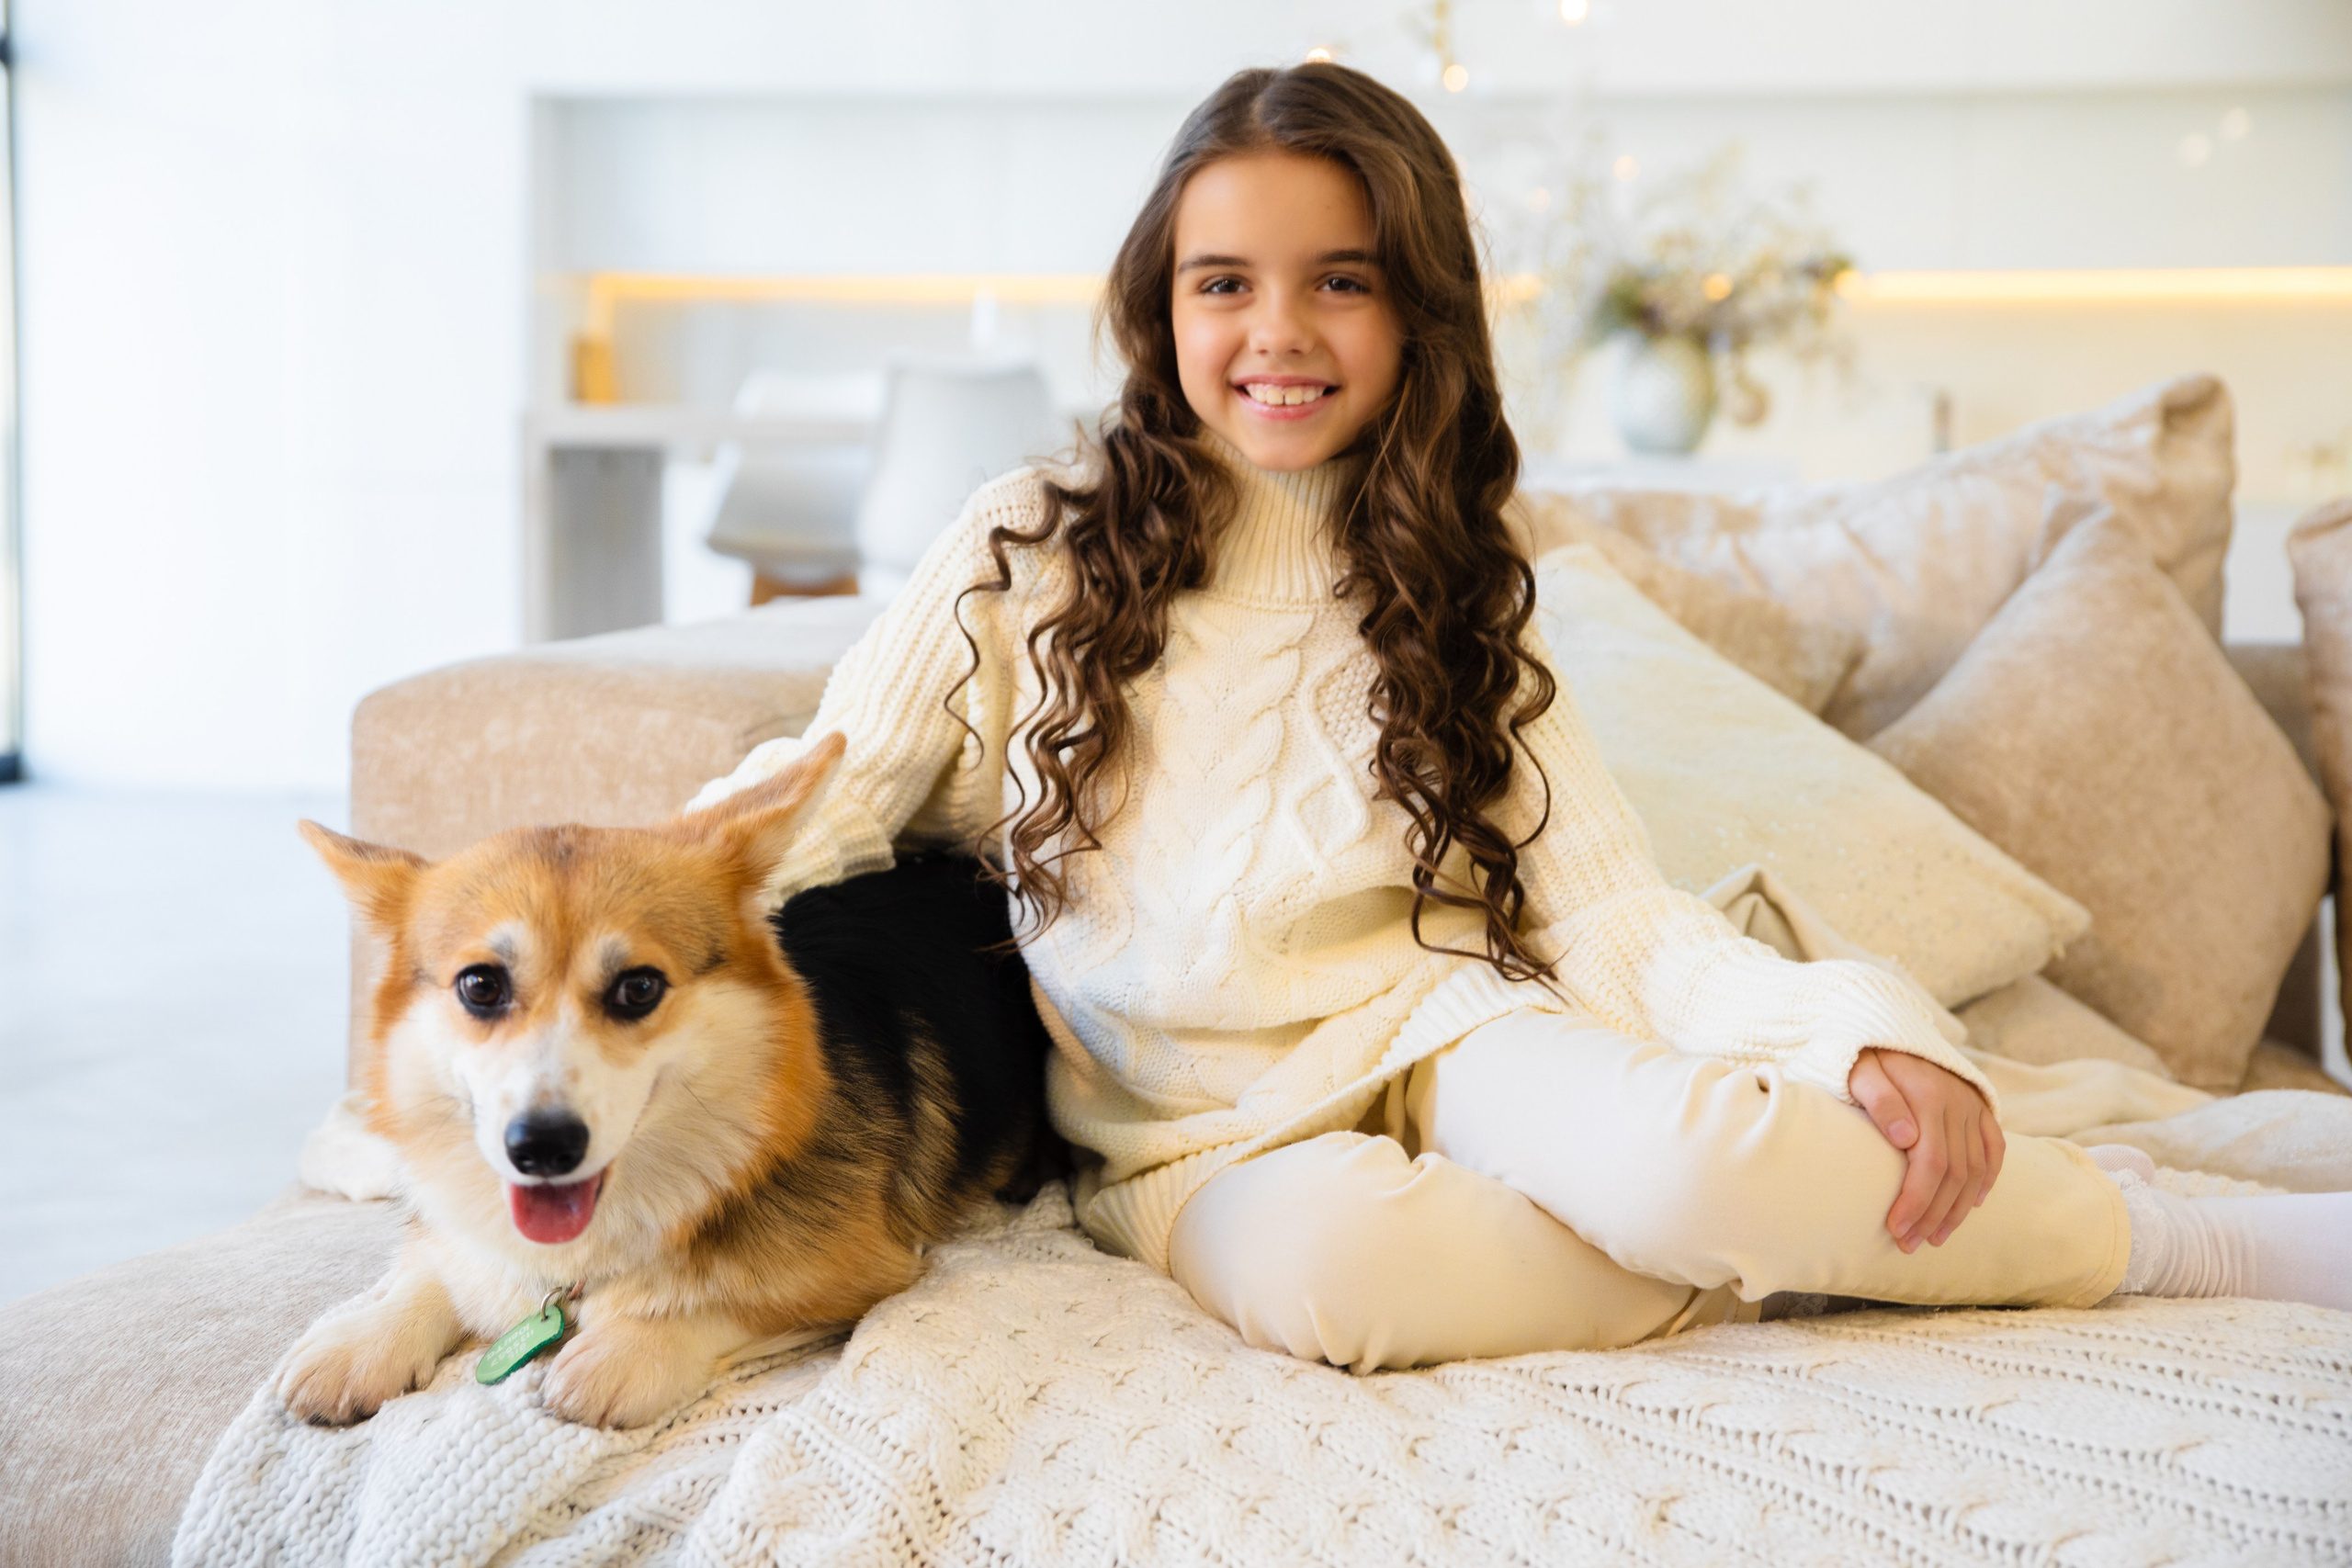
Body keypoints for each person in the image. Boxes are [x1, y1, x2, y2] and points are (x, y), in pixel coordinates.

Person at [695, 62, 2352, 1371]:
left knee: (1697, 1167)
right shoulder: (1024, 549)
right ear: (1161, 307)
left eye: (1340, 281)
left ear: (1415, 311)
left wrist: (1851, 1032)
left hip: (1450, 1032)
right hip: (1192, 1141)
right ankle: (1804, 1245)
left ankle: (2171, 1238)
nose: (1278, 332)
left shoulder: (1456, 582)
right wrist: (641, 894)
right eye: (1225, 283)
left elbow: (1612, 918)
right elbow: (832, 788)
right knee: (1345, 1284)